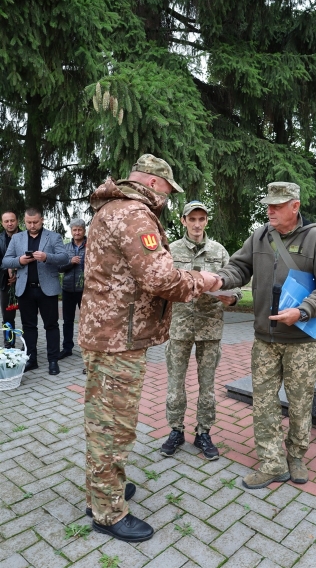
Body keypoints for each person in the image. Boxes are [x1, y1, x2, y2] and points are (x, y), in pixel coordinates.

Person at [78, 154, 221, 543]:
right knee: (112, 428)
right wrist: (201, 280)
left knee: (102, 420)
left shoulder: (111, 208)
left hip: (108, 334)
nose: (167, 200)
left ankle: (101, 491)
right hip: (117, 341)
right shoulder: (135, 214)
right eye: (168, 192)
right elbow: (160, 278)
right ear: (155, 184)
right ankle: (107, 512)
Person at [217, 182, 316, 489]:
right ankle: (272, 462)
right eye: (268, 205)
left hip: (300, 340)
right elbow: (238, 267)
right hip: (264, 339)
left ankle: (296, 456)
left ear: (295, 206)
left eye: (277, 205)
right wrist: (220, 280)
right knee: (263, 403)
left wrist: (302, 310)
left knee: (300, 403)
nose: (270, 210)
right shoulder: (260, 235)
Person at [160, 201, 241, 460]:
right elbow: (160, 284)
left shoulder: (218, 251)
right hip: (179, 326)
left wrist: (233, 297)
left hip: (210, 326)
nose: (197, 224)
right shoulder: (170, 250)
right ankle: (175, 430)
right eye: (192, 219)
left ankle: (203, 432)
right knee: (175, 384)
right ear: (183, 220)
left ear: (207, 221)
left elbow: (235, 281)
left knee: (207, 386)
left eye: (201, 219)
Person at [2, 208, 68, 374]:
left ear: (42, 220)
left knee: (51, 326)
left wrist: (47, 257)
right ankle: (31, 359)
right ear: (24, 221)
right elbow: (6, 261)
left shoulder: (53, 237)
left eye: (35, 222)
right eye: (29, 222)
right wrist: (20, 260)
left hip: (48, 290)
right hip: (25, 290)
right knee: (29, 326)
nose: (32, 225)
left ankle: (53, 360)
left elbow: (64, 258)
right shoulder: (17, 238)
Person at [58, 218, 86, 361]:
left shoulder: (91, 246)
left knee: (86, 321)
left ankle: (87, 349)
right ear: (71, 231)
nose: (77, 232)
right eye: (74, 230)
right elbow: (59, 268)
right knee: (67, 320)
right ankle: (67, 348)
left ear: (84, 231)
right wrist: (70, 263)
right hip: (68, 289)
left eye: (79, 230)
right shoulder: (65, 248)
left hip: (85, 290)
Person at [0, 211, 21, 347]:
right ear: (2, 223)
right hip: (5, 283)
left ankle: (28, 347)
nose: (9, 223)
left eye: (12, 220)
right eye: (6, 221)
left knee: (27, 318)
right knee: (7, 318)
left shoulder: (27, 237)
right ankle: (9, 346)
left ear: (17, 221)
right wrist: (8, 269)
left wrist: (16, 271)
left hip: (25, 282)